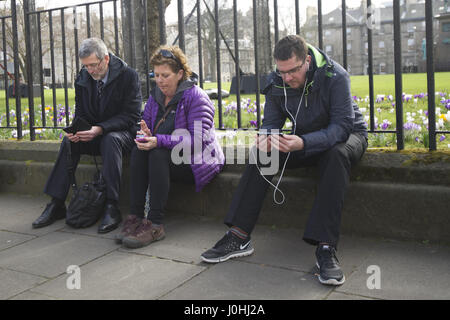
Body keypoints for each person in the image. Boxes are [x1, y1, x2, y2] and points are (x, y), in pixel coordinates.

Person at [201, 35, 368, 286]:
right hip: (305, 139)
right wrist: (267, 137)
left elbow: (342, 127)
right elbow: (271, 122)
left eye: (293, 71)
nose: (287, 78)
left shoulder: (336, 76)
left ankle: (325, 248)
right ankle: (239, 235)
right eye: (282, 72)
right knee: (262, 153)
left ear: (307, 61)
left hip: (348, 137)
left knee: (335, 155)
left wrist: (304, 142)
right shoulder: (276, 81)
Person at [116, 46, 225, 249]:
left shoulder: (197, 98)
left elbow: (197, 142)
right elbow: (145, 124)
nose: (160, 80)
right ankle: (135, 217)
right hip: (168, 157)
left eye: (165, 75)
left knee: (157, 153)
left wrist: (158, 140)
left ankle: (155, 225)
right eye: (156, 75)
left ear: (180, 74)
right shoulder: (156, 96)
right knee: (139, 151)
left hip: (196, 161)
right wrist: (144, 135)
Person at [32, 38, 141, 234]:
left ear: (106, 59)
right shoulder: (84, 77)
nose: (90, 71)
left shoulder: (128, 76)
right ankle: (56, 203)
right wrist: (76, 130)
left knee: (111, 139)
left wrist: (100, 128)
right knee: (69, 143)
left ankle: (111, 206)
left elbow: (131, 116)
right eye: (86, 66)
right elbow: (81, 112)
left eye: (93, 65)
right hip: (94, 132)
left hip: (122, 134)